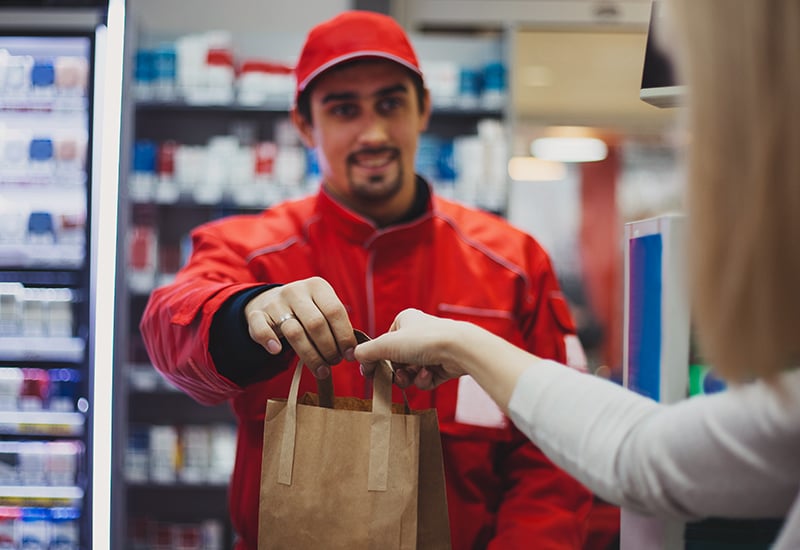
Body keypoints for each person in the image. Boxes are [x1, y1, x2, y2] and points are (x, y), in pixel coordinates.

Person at [140, 9, 595, 549]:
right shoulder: (251, 249)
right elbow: (171, 325)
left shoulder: (512, 263)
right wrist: (249, 313)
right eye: (344, 109)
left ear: (423, 109)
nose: (373, 133)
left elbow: (554, 455)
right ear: (306, 125)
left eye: (390, 104)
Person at [354, 1, 800, 548]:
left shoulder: (510, 256)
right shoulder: (249, 247)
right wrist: (463, 344)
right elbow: (645, 456)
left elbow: (611, 465)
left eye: (703, 117)